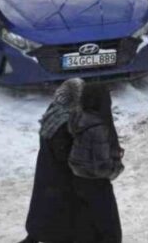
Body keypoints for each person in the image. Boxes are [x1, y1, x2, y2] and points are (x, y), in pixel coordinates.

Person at [21, 78, 84, 243]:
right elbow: (65, 154)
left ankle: (33, 235)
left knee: (41, 206)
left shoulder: (53, 111)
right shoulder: (66, 122)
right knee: (59, 213)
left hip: (45, 170)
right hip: (59, 177)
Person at [68, 83, 124, 243]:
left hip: (78, 179)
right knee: (110, 232)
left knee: (88, 228)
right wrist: (116, 169)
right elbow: (102, 165)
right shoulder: (98, 127)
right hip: (96, 183)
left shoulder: (78, 117)